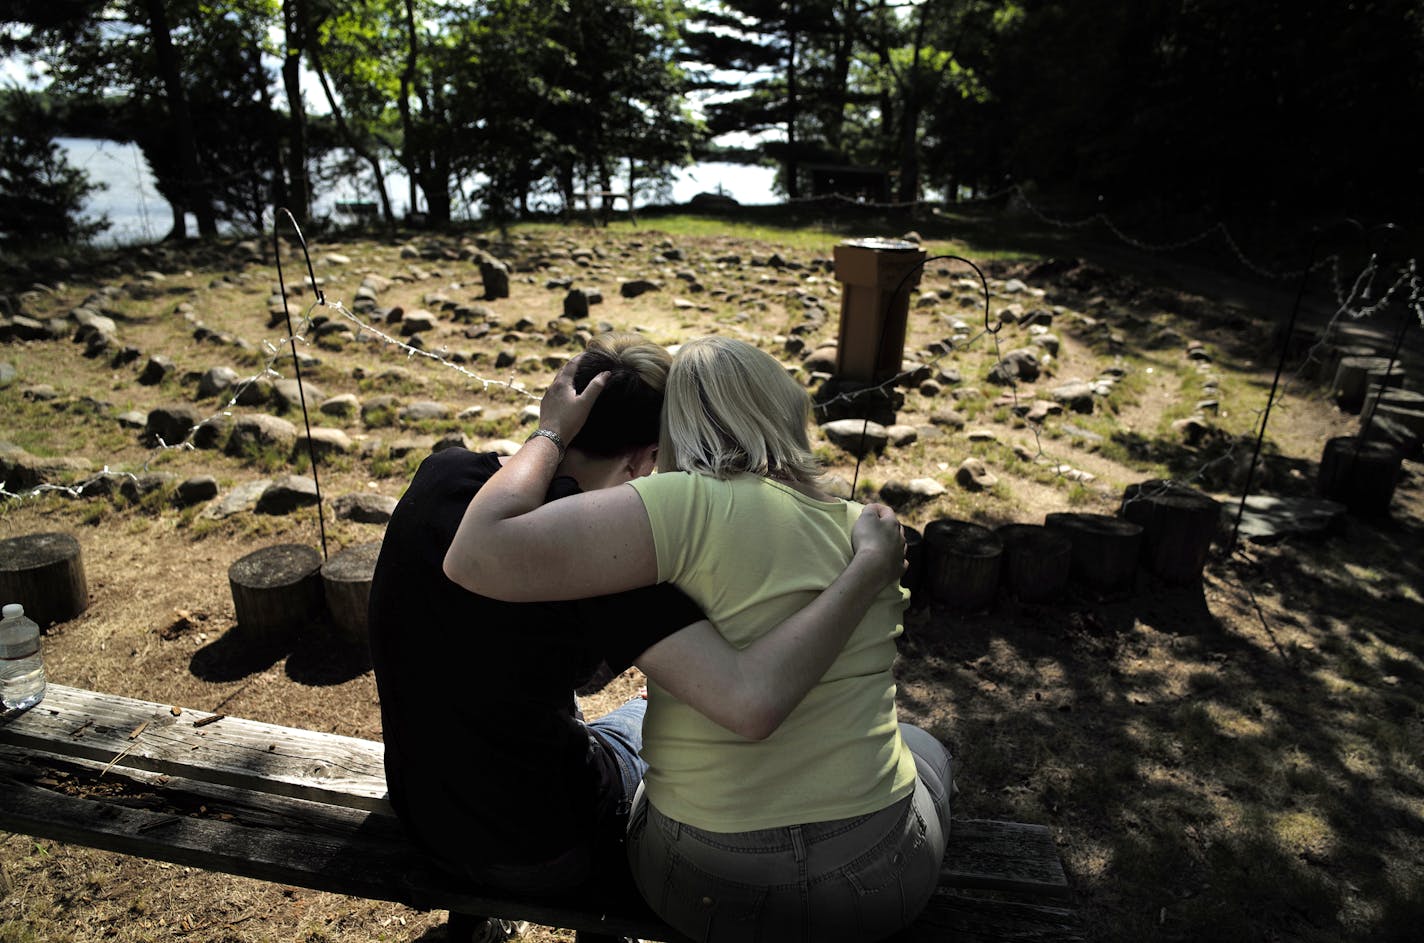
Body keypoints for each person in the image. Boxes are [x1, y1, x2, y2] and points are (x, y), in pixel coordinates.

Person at [368, 333, 908, 938]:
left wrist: (550, 431)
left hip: (422, 812)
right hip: (541, 850)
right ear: (643, 461)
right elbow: (740, 699)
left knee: (483, 711)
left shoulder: (441, 474)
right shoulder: (612, 567)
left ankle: (472, 927)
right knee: (632, 718)